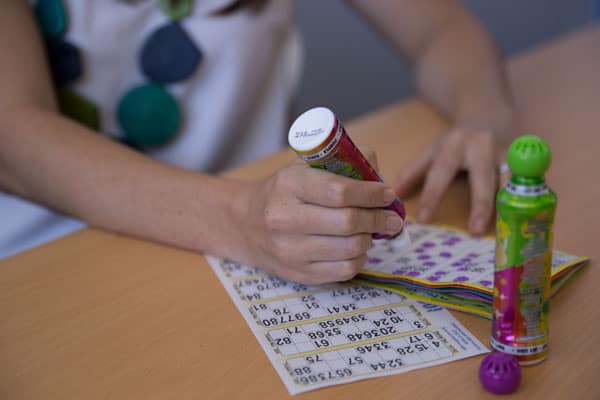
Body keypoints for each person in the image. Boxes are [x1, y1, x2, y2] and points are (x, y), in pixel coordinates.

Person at [0, 0, 515, 283]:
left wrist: (483, 115)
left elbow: (442, 29)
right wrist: (240, 218)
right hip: (45, 271)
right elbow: (14, 134)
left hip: (251, 261)